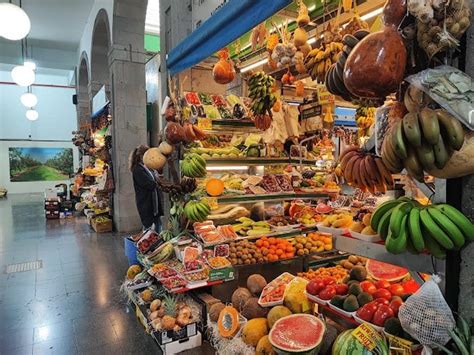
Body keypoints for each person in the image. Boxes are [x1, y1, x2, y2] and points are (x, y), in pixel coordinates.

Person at [129, 145, 163, 231]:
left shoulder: (148, 167)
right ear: (141, 156)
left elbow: (155, 179)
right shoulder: (137, 169)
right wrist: (160, 182)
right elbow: (149, 184)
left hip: (154, 204)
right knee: (147, 226)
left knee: (158, 223)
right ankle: (145, 242)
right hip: (146, 203)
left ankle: (157, 242)